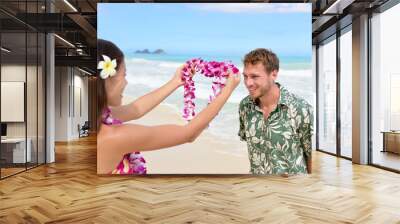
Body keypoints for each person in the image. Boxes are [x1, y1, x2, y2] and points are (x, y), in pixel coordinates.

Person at [96, 39, 241, 174]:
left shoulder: (96, 117)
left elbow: (137, 109)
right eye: (124, 75)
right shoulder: (114, 137)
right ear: (106, 80)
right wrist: (226, 91)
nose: (126, 83)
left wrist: (176, 82)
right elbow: (188, 134)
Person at [238, 48, 313, 175]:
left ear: (273, 74)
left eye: (255, 76)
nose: (248, 83)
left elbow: (311, 156)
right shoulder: (245, 106)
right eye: (245, 76)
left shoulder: (301, 108)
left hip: (293, 190)